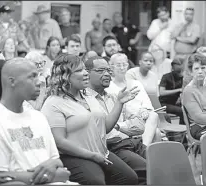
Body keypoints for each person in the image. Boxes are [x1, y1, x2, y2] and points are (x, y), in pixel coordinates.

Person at [41, 54, 139, 185]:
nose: (85, 73)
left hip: (101, 153)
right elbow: (59, 141)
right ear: (65, 76)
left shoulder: (88, 96)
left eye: (84, 69)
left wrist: (119, 103)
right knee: (95, 181)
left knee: (129, 178)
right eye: (79, 70)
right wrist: (91, 155)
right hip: (73, 156)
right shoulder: (53, 103)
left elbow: (104, 128)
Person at [0, 58, 72, 185]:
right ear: (12, 81)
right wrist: (49, 176)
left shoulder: (38, 117)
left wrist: (54, 167)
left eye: (38, 76)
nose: (39, 82)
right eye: (32, 77)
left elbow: (57, 162)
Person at [84, 56, 147, 184]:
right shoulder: (85, 100)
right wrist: (124, 126)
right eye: (101, 70)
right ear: (87, 73)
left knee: (167, 163)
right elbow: (101, 130)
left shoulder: (115, 97)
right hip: (114, 147)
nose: (107, 74)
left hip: (133, 143)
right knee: (148, 170)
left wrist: (117, 125)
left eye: (108, 70)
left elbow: (140, 126)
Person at [106, 53, 161, 145]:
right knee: (156, 132)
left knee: (154, 115)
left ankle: (144, 147)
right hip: (123, 122)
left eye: (124, 64)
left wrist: (144, 110)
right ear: (111, 67)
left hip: (140, 119)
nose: (122, 67)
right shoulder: (109, 87)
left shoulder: (136, 83)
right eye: (118, 65)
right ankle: (145, 149)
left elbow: (147, 104)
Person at [159, 56, 185, 124]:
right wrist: (178, 90)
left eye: (180, 65)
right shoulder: (166, 77)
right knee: (182, 111)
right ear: (172, 67)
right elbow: (161, 92)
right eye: (176, 65)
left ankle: (185, 130)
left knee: (187, 109)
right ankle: (180, 131)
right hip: (163, 104)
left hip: (175, 104)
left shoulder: (183, 78)